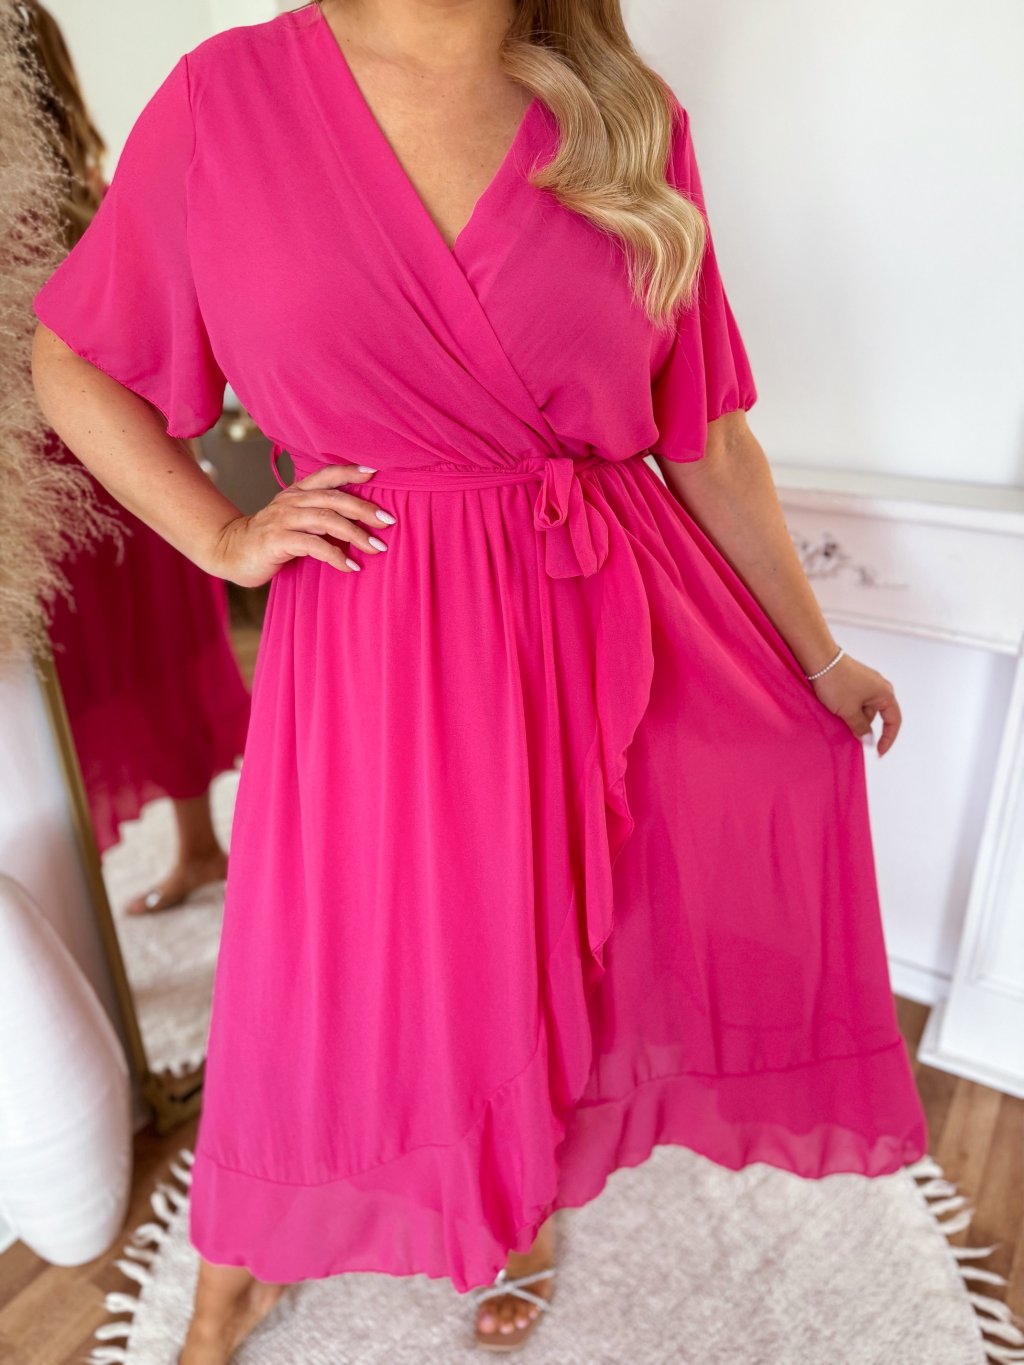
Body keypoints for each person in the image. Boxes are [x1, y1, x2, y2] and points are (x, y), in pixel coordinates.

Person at [30, 0, 929, 1358]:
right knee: (320, 971)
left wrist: (817, 653)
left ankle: (516, 1200)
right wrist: (219, 535)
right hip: (371, 629)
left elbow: (707, 435)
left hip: (597, 618)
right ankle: (238, 1263)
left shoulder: (625, 115)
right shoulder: (228, 99)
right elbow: (73, 360)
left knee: (550, 937)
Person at [21, 0, 251, 912]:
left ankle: (190, 851)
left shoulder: (73, 191)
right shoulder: (88, 184)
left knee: (129, 656)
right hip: (91, 461)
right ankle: (193, 847)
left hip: (93, 461)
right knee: (136, 657)